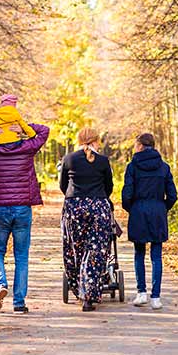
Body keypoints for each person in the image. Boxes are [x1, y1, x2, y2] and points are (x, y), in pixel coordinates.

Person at [0, 118, 50, 314]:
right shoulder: (27, 148)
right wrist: (23, 126)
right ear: (16, 133)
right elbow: (44, 131)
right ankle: (19, 303)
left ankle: (0, 284)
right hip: (22, 208)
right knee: (21, 255)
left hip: (0, 208)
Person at [59, 127, 114, 312]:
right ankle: (89, 295)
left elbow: (63, 185)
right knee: (95, 251)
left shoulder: (69, 159)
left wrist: (76, 198)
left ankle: (78, 287)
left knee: (76, 250)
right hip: (98, 207)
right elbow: (109, 187)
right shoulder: (103, 161)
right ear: (95, 141)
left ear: (79, 140)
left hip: (74, 207)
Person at [121, 133, 177, 310]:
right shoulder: (164, 167)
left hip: (138, 211)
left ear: (139, 146)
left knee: (139, 253)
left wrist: (132, 208)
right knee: (156, 255)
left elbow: (127, 194)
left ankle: (141, 293)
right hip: (158, 212)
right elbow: (173, 195)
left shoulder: (132, 167)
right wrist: (162, 207)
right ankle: (156, 297)